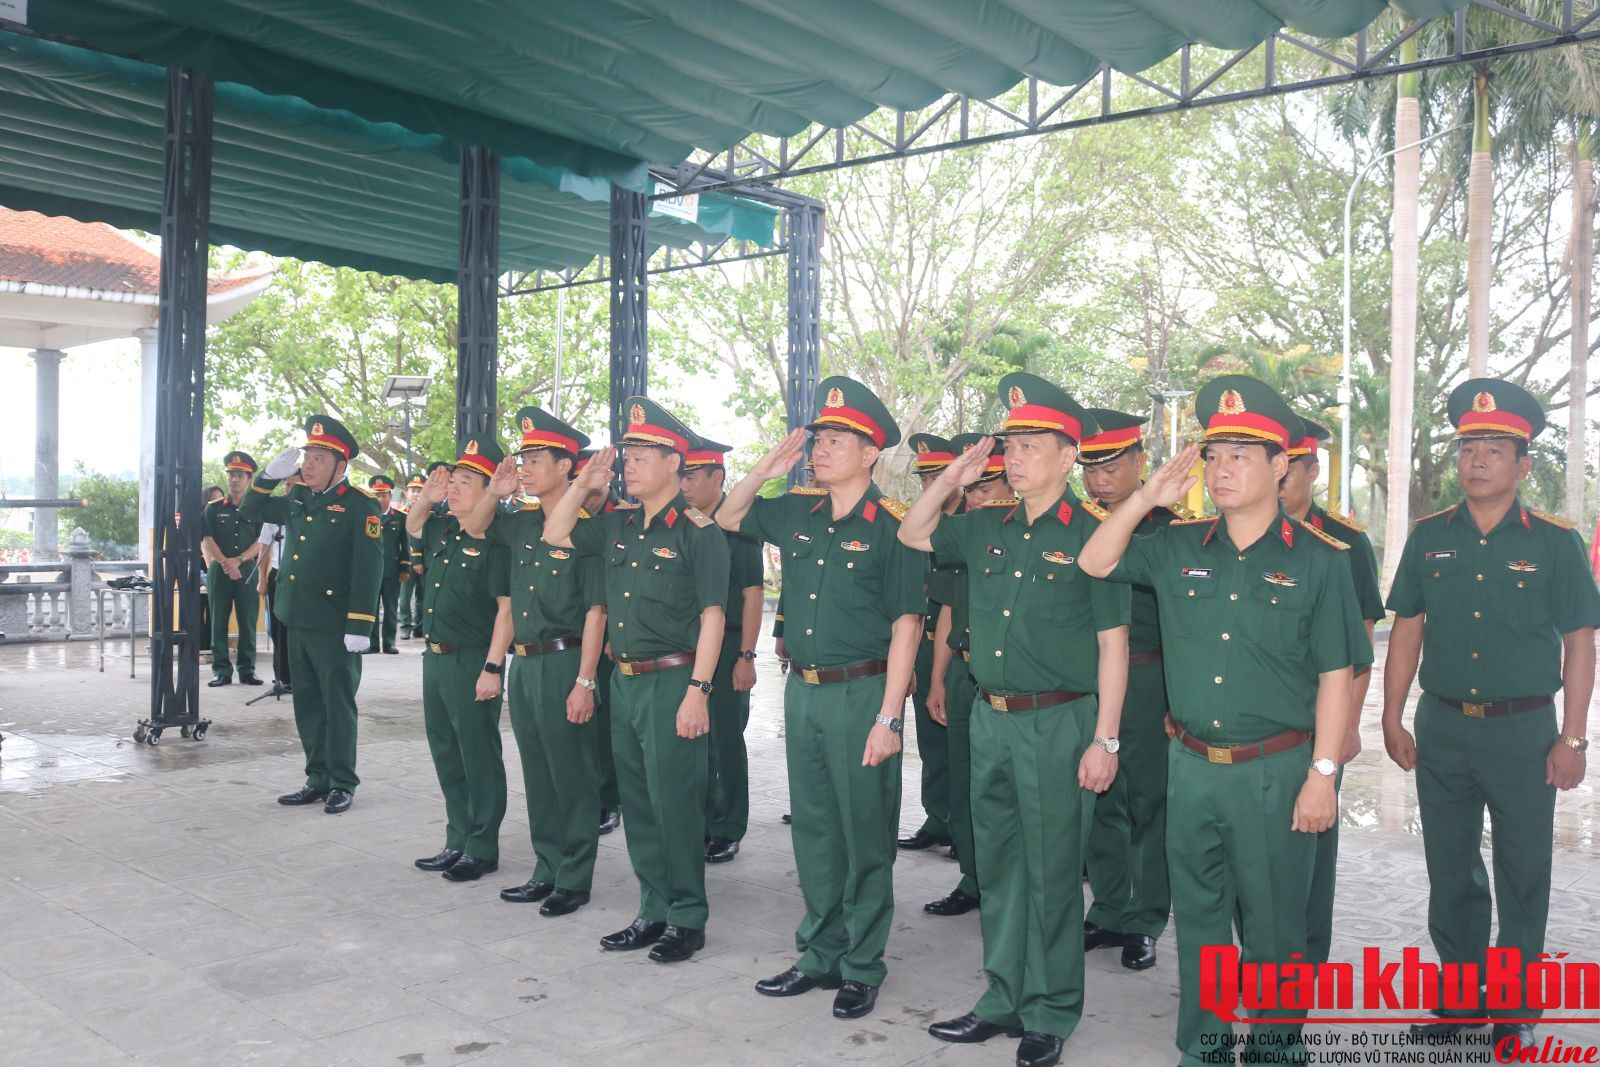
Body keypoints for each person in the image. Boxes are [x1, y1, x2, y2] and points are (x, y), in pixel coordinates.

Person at [1079, 375, 1368, 1067]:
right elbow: (1095, 558)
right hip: (1191, 765)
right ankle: (1205, 1048)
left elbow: (1337, 674)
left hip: (1276, 770)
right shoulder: (1177, 545)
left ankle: (1275, 1050)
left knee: (1274, 930)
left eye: (1241, 455)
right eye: (1213, 456)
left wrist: (1323, 773)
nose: (1221, 469)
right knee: (1203, 924)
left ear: (1280, 465)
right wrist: (1145, 498)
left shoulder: (1320, 561)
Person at [902, 374, 1129, 1067]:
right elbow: (913, 531)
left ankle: (1051, 1009)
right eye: (1012, 445)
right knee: (999, 866)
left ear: (1069, 455)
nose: (1017, 456)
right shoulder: (985, 526)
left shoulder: (1093, 535)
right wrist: (952, 480)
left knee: (1054, 873)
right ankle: (1002, 995)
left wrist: (1106, 738)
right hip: (992, 718)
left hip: (1059, 722)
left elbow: (1113, 645)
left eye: (1032, 445)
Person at [1382, 378, 1598, 1050]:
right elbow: (1407, 629)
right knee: (1450, 869)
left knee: (1522, 871)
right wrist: (1392, 716)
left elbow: (1581, 642)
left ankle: (1513, 1004)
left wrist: (1572, 739)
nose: (1476, 460)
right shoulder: (1429, 537)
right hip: (1444, 726)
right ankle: (1460, 1000)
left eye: (1494, 450)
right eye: (1468, 448)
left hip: (1524, 731)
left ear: (1523, 465)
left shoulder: (1556, 542)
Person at [718, 376, 924, 1021]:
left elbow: (907, 625)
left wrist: (890, 716)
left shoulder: (895, 526)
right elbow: (728, 516)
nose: (821, 449)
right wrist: (765, 468)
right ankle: (819, 952)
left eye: (838, 440)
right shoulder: (797, 511)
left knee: (865, 833)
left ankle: (862, 964)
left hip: (862, 693)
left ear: (871, 453)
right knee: (814, 828)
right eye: (819, 439)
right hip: (803, 692)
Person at [543, 398, 730, 964]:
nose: (630, 465)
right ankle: (653, 907)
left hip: (674, 681)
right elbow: (555, 532)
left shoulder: (699, 532)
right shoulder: (617, 524)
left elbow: (714, 617)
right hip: (623, 682)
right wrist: (583, 484)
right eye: (627, 457)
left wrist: (699, 691)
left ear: (674, 463)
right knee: (640, 801)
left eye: (642, 456)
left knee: (676, 803)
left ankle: (687, 916)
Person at [463, 408, 605, 916]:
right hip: (524, 663)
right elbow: (475, 527)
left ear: (566, 467)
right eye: (522, 460)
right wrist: (495, 493)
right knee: (538, 771)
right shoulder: (521, 521)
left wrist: (586, 681)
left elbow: (596, 613)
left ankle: (575, 875)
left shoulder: (586, 530)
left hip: (566, 660)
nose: (524, 469)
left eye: (535, 460)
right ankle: (547, 867)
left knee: (572, 773)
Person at [1076, 409, 1188, 972]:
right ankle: (1109, 908)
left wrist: (1176, 698)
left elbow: (1186, 625)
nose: (1099, 481)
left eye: (1112, 467)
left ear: (1140, 461)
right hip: (1084, 680)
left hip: (1148, 679)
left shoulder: (1169, 529)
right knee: (1099, 799)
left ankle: (1145, 918)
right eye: (1090, 469)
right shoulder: (1078, 523)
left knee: (1148, 803)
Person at [1279, 415, 1384, 967]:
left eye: (1288, 470)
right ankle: (1261, 953)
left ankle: (1305, 956)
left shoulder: (1345, 541)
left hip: (1317, 718)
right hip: (1256, 719)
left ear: (1312, 470)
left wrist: (1346, 727)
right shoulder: (1231, 534)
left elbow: (1359, 643)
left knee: (1312, 840)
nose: (1277, 480)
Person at [241, 416, 384, 814]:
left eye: (319, 459)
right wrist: (267, 477)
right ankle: (317, 777)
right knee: (306, 702)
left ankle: (342, 781)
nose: (309, 465)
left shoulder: (360, 505)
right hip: (296, 616)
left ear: (341, 465)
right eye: (307, 458)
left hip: (335, 623)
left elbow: (368, 569)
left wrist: (360, 625)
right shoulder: (299, 499)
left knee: (337, 704)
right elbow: (250, 510)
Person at [405, 440, 514, 882]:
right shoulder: (443, 529)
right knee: (446, 752)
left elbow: (506, 611)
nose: (453, 488)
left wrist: (492, 668)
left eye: (465, 482)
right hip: (435, 658)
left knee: (478, 754)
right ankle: (457, 838)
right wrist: (427, 498)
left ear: (490, 490)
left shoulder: (496, 541)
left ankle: (482, 846)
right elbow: (413, 525)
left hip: (472, 660)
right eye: (453, 480)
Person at [923, 433, 1009, 919]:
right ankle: (973, 879)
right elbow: (948, 613)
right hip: (962, 670)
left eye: (986, 488)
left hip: (1009, 677)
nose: (976, 498)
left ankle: (1005, 885)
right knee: (965, 779)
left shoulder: (1026, 539)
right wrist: (937, 680)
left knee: (1004, 790)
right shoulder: (964, 537)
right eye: (972, 489)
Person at [680, 435, 765, 865]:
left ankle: (729, 825)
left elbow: (753, 594)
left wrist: (746, 656)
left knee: (726, 739)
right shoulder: (684, 524)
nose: (685, 485)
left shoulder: (739, 525)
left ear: (718, 477)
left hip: (729, 641)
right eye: (682, 477)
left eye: (693, 477)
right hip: (689, 644)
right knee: (695, 738)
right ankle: (700, 819)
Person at [897, 434, 958, 856]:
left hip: (959, 650)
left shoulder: (972, 523)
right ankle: (938, 819)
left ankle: (964, 827)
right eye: (925, 478)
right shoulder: (919, 525)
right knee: (932, 743)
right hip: (923, 643)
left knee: (961, 746)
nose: (929, 485)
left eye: (938, 476)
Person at [575, 448, 623, 835]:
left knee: (605, 724)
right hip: (569, 636)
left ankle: (609, 799)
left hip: (608, 638)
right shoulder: (567, 515)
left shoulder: (622, 518)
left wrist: (618, 635)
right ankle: (583, 795)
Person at [202, 451, 265, 687]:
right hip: (219, 571)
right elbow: (207, 539)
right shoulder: (213, 508)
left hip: (247, 571)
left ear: (249, 479)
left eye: (239, 475)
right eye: (231, 475)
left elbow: (261, 541)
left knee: (247, 622)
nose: (234, 479)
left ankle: (247, 670)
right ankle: (221, 671)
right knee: (218, 621)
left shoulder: (257, 509)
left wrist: (238, 560)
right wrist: (226, 563)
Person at [366, 474, 409, 655]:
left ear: (390, 496)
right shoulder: (366, 516)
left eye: (383, 495)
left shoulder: (399, 517)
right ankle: (372, 643)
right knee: (371, 608)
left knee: (391, 608)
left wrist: (405, 567)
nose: (380, 499)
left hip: (392, 570)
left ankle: (389, 643)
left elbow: (405, 545)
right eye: (376, 495)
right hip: (370, 571)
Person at [400, 471, 426, 639]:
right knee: (404, 597)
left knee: (422, 596)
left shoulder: (428, 512)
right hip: (406, 560)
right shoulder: (401, 513)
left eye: (419, 490)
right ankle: (405, 625)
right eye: (413, 490)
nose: (416, 494)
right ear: (406, 492)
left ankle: (420, 626)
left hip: (425, 560)